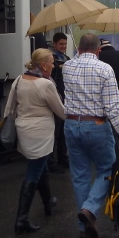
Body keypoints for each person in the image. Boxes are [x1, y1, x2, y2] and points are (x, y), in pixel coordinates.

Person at [62, 33, 119, 238]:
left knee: (80, 175)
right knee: (108, 168)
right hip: (96, 126)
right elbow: (112, 108)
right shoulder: (104, 69)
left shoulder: (67, 67)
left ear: (78, 49)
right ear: (98, 50)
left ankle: (84, 225)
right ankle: (90, 210)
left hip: (71, 125)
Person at [4, 48, 65, 234]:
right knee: (34, 171)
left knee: (41, 165)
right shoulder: (45, 85)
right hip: (41, 133)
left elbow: (10, 106)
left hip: (24, 130)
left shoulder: (19, 79)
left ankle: (48, 202)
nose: (54, 66)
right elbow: (61, 112)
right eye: (52, 62)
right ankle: (21, 219)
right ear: (44, 65)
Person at [48, 32, 70, 172]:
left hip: (66, 99)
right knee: (54, 133)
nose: (63, 46)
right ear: (55, 44)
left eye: (65, 44)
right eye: (61, 44)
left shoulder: (67, 58)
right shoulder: (52, 59)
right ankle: (51, 162)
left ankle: (63, 158)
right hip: (56, 99)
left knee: (63, 132)